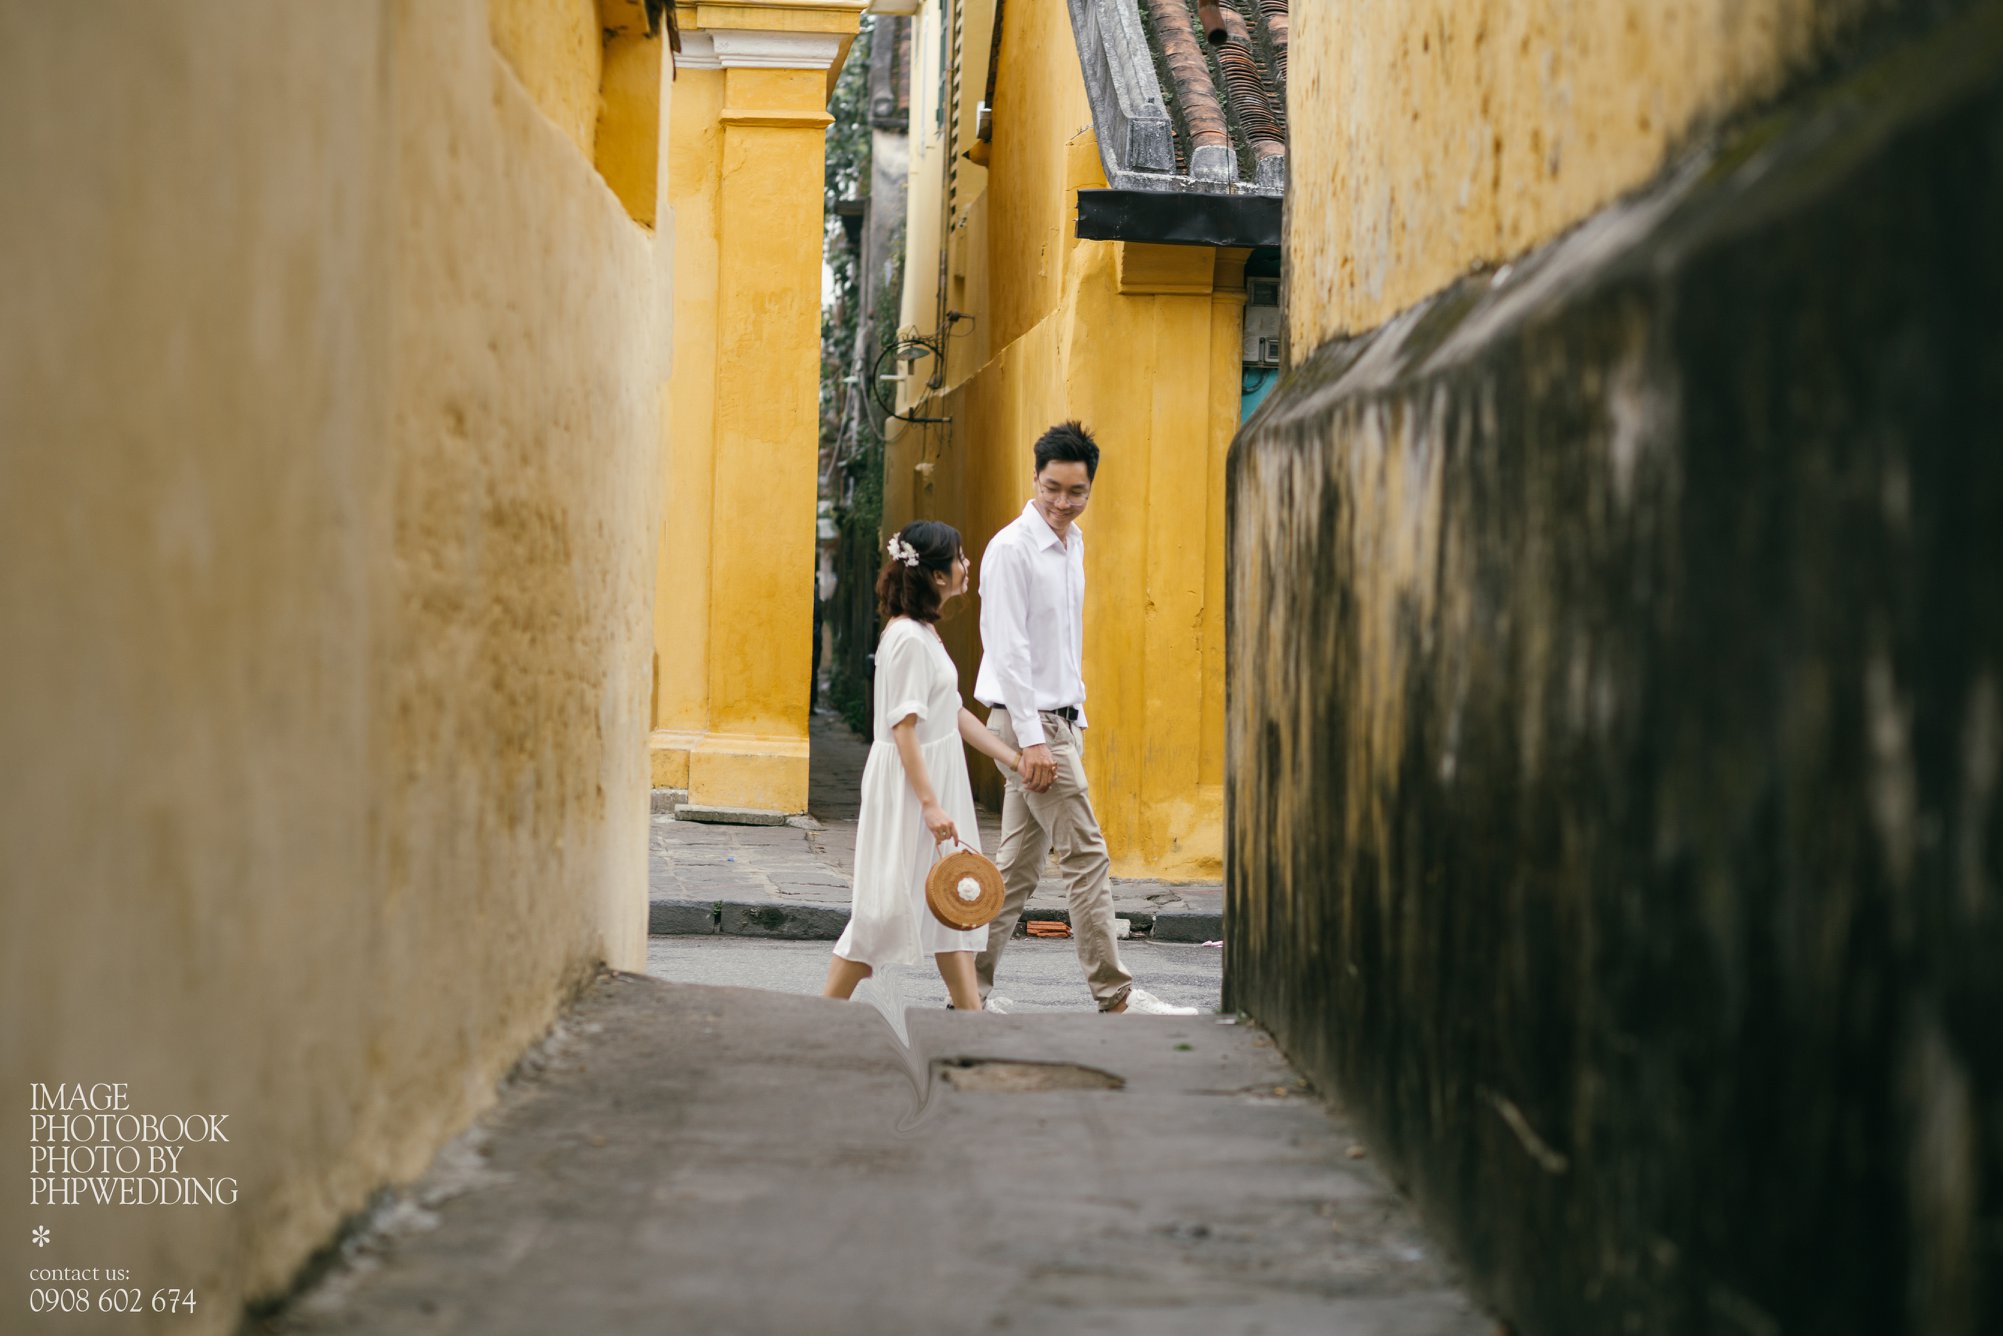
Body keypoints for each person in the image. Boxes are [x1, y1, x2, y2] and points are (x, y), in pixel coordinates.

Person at [972, 422, 1198, 1016]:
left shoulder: (1074, 544)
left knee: (1017, 871)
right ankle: (1116, 995)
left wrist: (1072, 720)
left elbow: (1060, 647)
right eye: (1052, 489)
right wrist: (1032, 742)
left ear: (1089, 487)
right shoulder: (1012, 549)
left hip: (1059, 723)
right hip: (1032, 727)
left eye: (1076, 492)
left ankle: (968, 992)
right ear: (1035, 478)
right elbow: (1010, 652)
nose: (1062, 503)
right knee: (1088, 855)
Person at [823, 520, 1029, 1012]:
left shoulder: (925, 633)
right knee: (881, 912)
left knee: (951, 899)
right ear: (938, 575)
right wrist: (931, 805)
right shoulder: (908, 639)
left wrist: (1013, 759)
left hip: (935, 779)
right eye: (960, 557)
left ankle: (969, 1016)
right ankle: (821, 1015)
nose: (966, 566)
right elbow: (904, 727)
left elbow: (952, 711)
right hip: (912, 786)